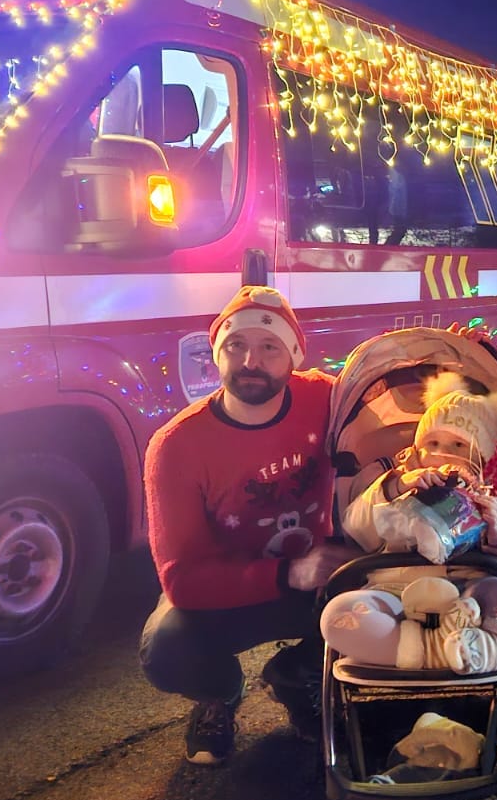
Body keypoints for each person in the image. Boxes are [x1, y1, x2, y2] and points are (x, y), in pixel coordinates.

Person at [138, 285, 344, 767]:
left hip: (317, 580)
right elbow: (182, 579)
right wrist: (287, 573)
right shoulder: (176, 446)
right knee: (167, 649)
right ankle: (220, 692)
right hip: (237, 589)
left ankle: (299, 677)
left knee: (389, 596)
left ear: (293, 357)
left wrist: (463, 355)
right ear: (217, 354)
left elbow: (394, 395)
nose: (251, 361)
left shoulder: (325, 397)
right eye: (236, 345)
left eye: (270, 346)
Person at [320, 371, 497, 673]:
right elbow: (356, 529)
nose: (441, 453)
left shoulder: (495, 495)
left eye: (459, 445)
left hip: (471, 597)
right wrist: (393, 487)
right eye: (432, 442)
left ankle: (418, 650)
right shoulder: (397, 479)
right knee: (336, 615)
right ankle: (456, 651)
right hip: (395, 592)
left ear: (482, 455)